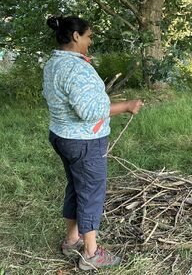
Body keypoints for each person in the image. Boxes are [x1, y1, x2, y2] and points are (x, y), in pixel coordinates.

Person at [43, 16, 143, 271]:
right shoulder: (76, 68)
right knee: (90, 193)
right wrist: (126, 106)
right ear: (76, 37)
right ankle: (90, 253)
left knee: (77, 187)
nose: (90, 42)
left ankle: (72, 240)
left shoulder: (54, 62)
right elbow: (89, 111)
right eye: (88, 36)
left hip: (62, 136)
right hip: (84, 142)